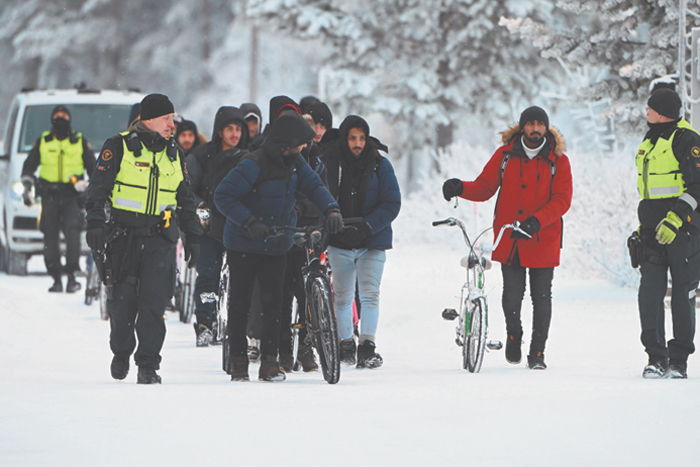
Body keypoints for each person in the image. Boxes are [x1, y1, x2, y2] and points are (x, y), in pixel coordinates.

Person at [214, 112, 342, 382]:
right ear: (287, 142)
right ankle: (238, 362)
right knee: (241, 304)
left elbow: (314, 186)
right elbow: (223, 196)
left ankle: (270, 363)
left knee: (274, 304)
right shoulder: (253, 163)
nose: (305, 147)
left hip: (277, 243)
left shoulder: (295, 163)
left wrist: (331, 209)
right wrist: (250, 222)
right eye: (301, 142)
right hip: (244, 243)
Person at [442, 106, 572, 370]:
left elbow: (562, 200)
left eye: (540, 124)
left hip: (543, 238)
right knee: (512, 296)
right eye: (530, 124)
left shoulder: (559, 160)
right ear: (522, 127)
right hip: (511, 237)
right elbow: (485, 187)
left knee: (541, 296)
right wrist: (460, 187)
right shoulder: (505, 156)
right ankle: (514, 334)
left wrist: (537, 221)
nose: (535, 129)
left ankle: (537, 353)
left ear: (546, 128)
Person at [84, 93, 202, 384]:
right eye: (166, 118)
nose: (171, 124)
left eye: (172, 118)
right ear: (147, 120)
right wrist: (96, 223)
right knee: (122, 304)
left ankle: (148, 364)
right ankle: (121, 351)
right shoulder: (118, 146)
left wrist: (194, 237)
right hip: (123, 238)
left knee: (154, 305)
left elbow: (186, 200)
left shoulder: (175, 154)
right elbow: (97, 190)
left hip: (160, 240)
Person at [321, 115, 401, 369]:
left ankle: (367, 345)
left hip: (372, 240)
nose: (357, 144)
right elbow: (321, 194)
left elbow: (391, 203)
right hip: (339, 239)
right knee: (343, 296)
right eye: (353, 138)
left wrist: (367, 227)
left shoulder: (380, 165)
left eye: (362, 138)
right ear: (344, 139)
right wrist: (334, 223)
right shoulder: (330, 163)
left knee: (369, 294)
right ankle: (345, 343)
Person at [631, 88, 700, 379]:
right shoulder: (650, 139)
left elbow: (696, 186)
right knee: (649, 293)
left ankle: (679, 360)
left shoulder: (687, 140)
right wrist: (642, 226)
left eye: (650, 108)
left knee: (682, 293)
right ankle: (656, 357)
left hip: (683, 229)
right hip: (652, 230)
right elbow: (649, 195)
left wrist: (675, 220)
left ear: (661, 111)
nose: (646, 112)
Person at [186, 106, 249, 346]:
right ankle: (205, 323)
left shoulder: (251, 156)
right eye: (230, 129)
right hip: (209, 227)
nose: (234, 134)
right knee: (208, 276)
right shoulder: (201, 156)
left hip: (239, 227)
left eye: (238, 129)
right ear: (219, 131)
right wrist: (199, 206)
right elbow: (186, 189)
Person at [21, 105, 95, 293]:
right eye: (57, 116)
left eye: (64, 116)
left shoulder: (79, 141)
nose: (61, 119)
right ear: (52, 119)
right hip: (49, 195)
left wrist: (90, 188)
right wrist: (27, 188)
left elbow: (93, 168)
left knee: (73, 236)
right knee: (50, 237)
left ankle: (71, 276)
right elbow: (29, 167)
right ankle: (55, 278)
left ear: (70, 120)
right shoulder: (44, 141)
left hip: (72, 196)